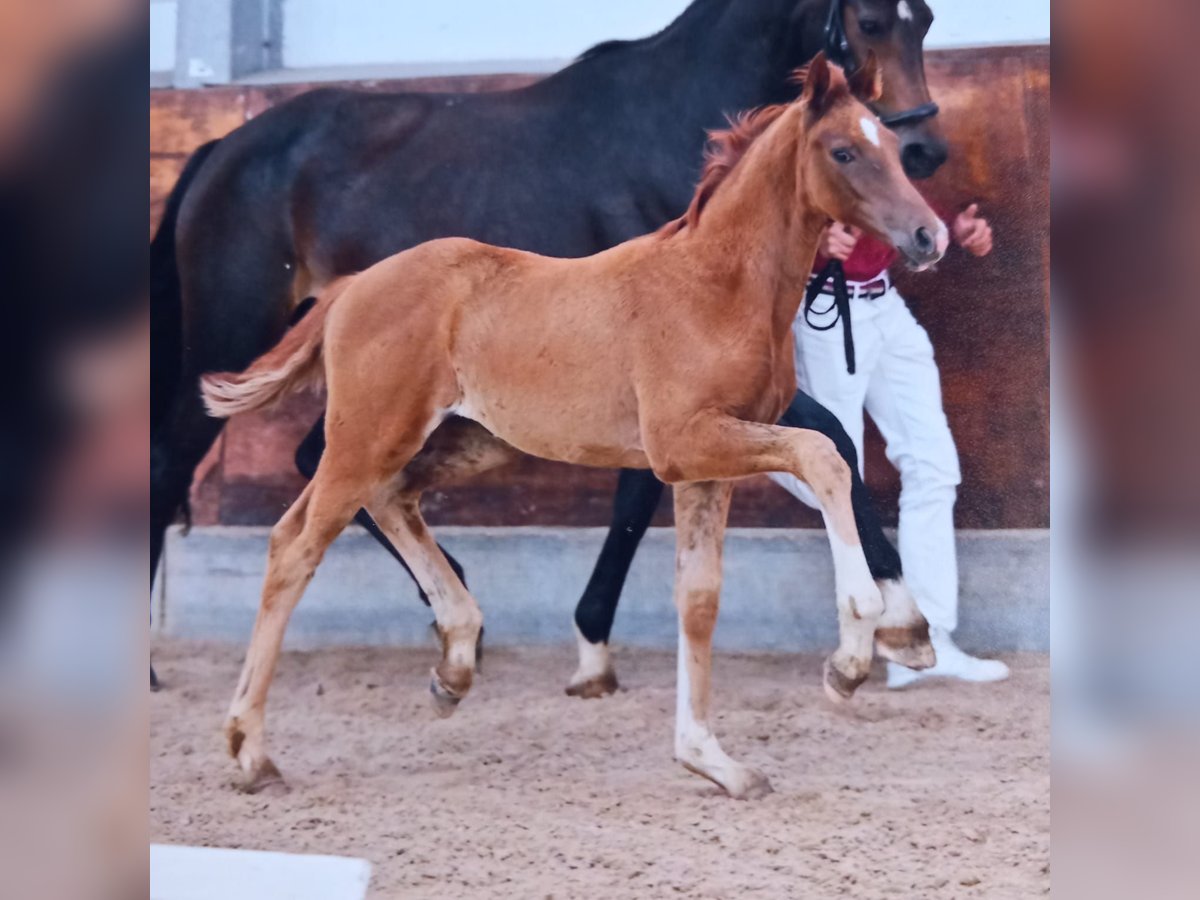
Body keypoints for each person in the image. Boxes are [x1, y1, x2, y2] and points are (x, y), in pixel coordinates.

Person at [770, 203, 1010, 687]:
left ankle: (926, 641)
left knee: (934, 464)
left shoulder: (889, 133)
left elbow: (897, 186)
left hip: (884, 300)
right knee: (835, 474)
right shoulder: (810, 127)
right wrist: (806, 240)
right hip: (826, 302)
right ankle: (769, 453)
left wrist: (948, 226)